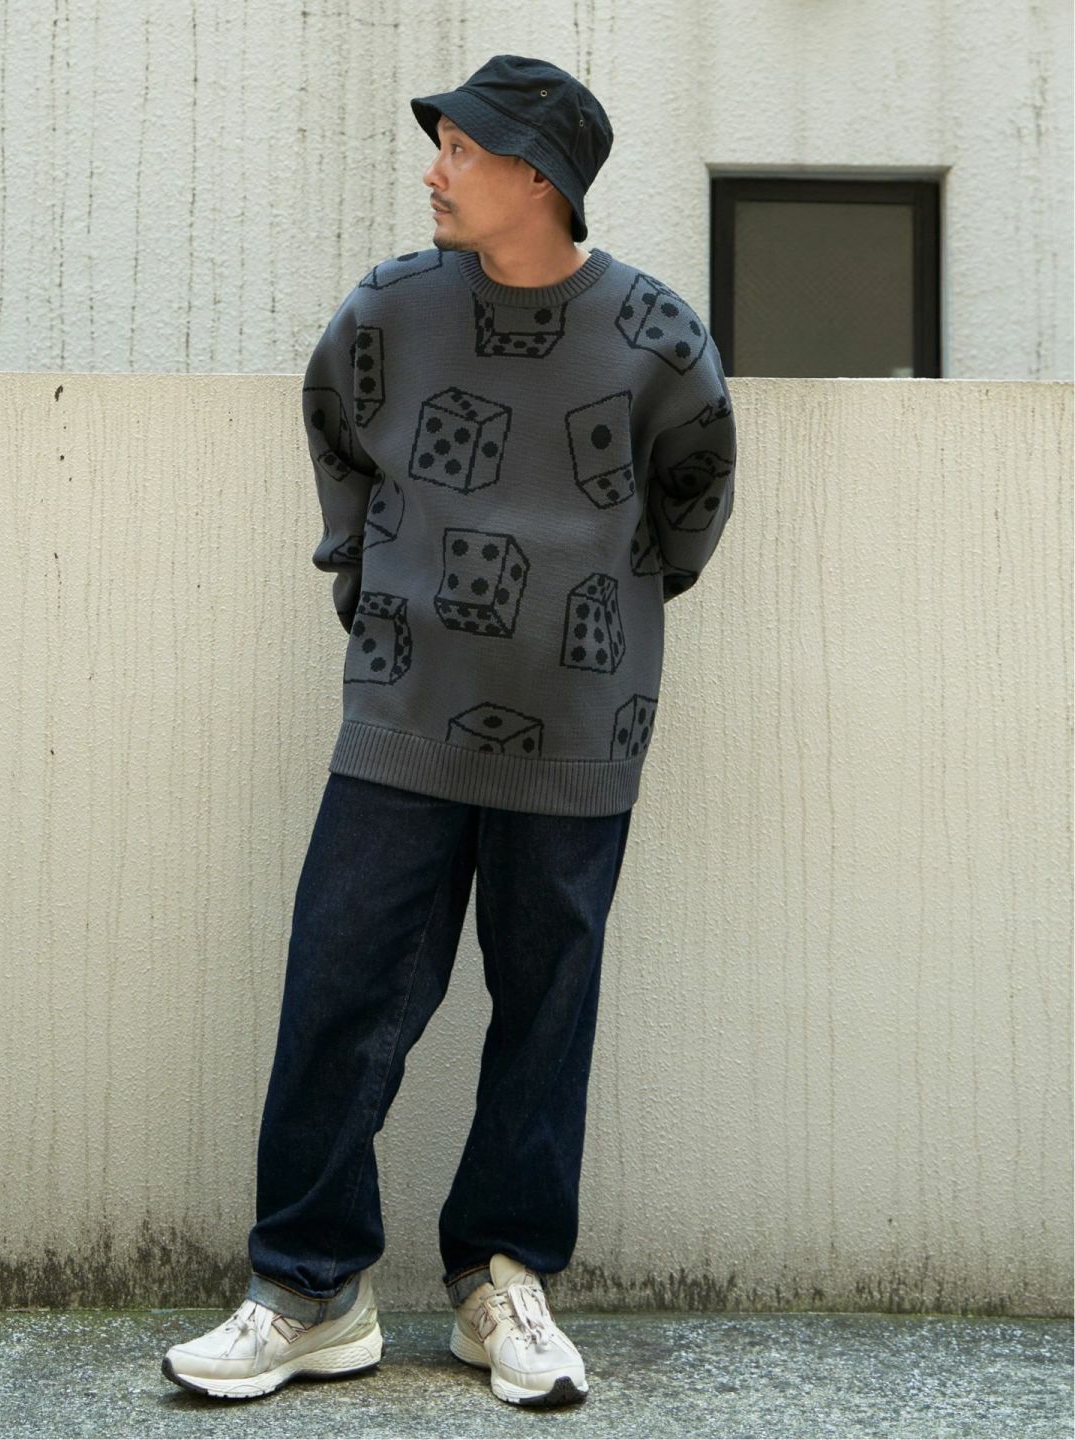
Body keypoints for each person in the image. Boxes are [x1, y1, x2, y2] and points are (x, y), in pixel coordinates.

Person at [162, 52, 737, 1410]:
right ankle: (310, 1290)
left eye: (463, 149)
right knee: (340, 987)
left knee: (547, 1006)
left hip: (581, 725)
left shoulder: (657, 335)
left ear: (538, 175)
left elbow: (695, 496)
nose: (435, 169)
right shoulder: (391, 309)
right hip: (403, 712)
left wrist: (597, 611)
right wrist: (369, 586)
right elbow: (336, 438)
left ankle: (503, 1282)